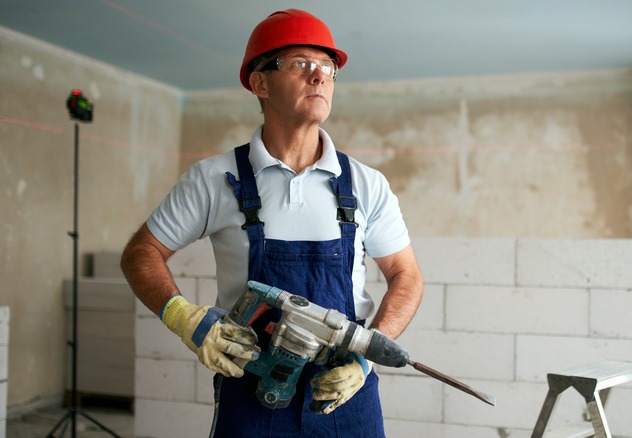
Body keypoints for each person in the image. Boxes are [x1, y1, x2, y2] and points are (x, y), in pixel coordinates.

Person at [120, 8, 424, 438]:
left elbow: (406, 275)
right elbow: (141, 253)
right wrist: (184, 318)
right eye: (301, 64)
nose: (319, 77)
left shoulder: (365, 185)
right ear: (260, 82)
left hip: (345, 395)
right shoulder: (213, 179)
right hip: (251, 393)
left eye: (328, 68)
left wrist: (366, 356)